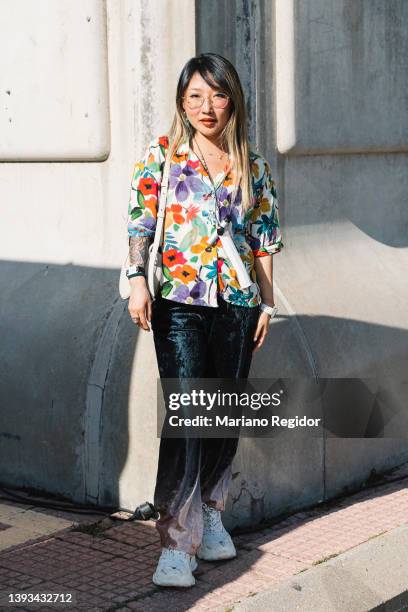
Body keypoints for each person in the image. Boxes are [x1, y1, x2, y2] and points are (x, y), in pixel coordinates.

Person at [126, 53, 284, 587]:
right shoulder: (163, 157)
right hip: (178, 302)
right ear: (181, 102)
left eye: (216, 95)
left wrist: (265, 304)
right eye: (195, 96)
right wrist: (135, 282)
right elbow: (140, 221)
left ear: (232, 98)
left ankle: (211, 513)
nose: (206, 107)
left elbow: (263, 241)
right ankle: (174, 541)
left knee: (224, 412)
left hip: (237, 305)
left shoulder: (253, 165)